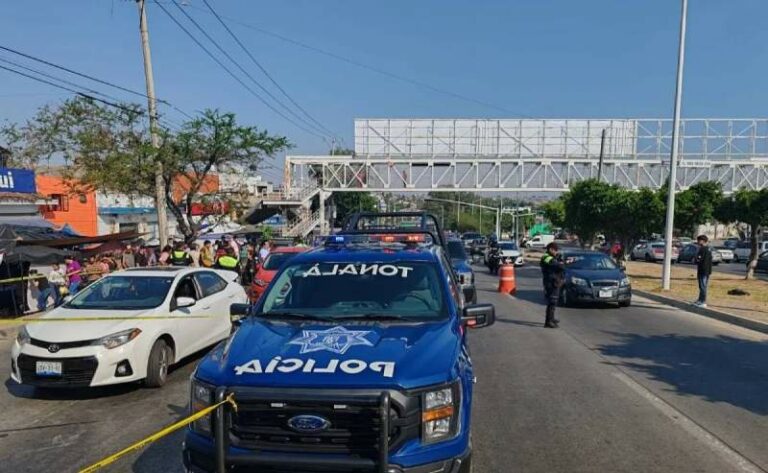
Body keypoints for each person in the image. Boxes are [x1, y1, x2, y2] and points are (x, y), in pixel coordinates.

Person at [540, 242, 565, 328]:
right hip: (550, 282)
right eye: (555, 250)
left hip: (554, 281)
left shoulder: (551, 257)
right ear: (550, 249)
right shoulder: (546, 257)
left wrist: (559, 259)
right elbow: (558, 266)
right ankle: (548, 322)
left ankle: (551, 318)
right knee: (552, 301)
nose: (556, 252)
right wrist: (561, 262)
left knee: (554, 301)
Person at [693, 234, 713, 308]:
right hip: (706, 271)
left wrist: (696, 260)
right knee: (702, 286)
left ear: (703, 241)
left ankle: (703, 301)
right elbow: (710, 261)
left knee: (702, 286)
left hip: (702, 270)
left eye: (699, 240)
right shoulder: (709, 249)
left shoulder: (702, 249)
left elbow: (699, 259)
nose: (698, 242)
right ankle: (700, 300)